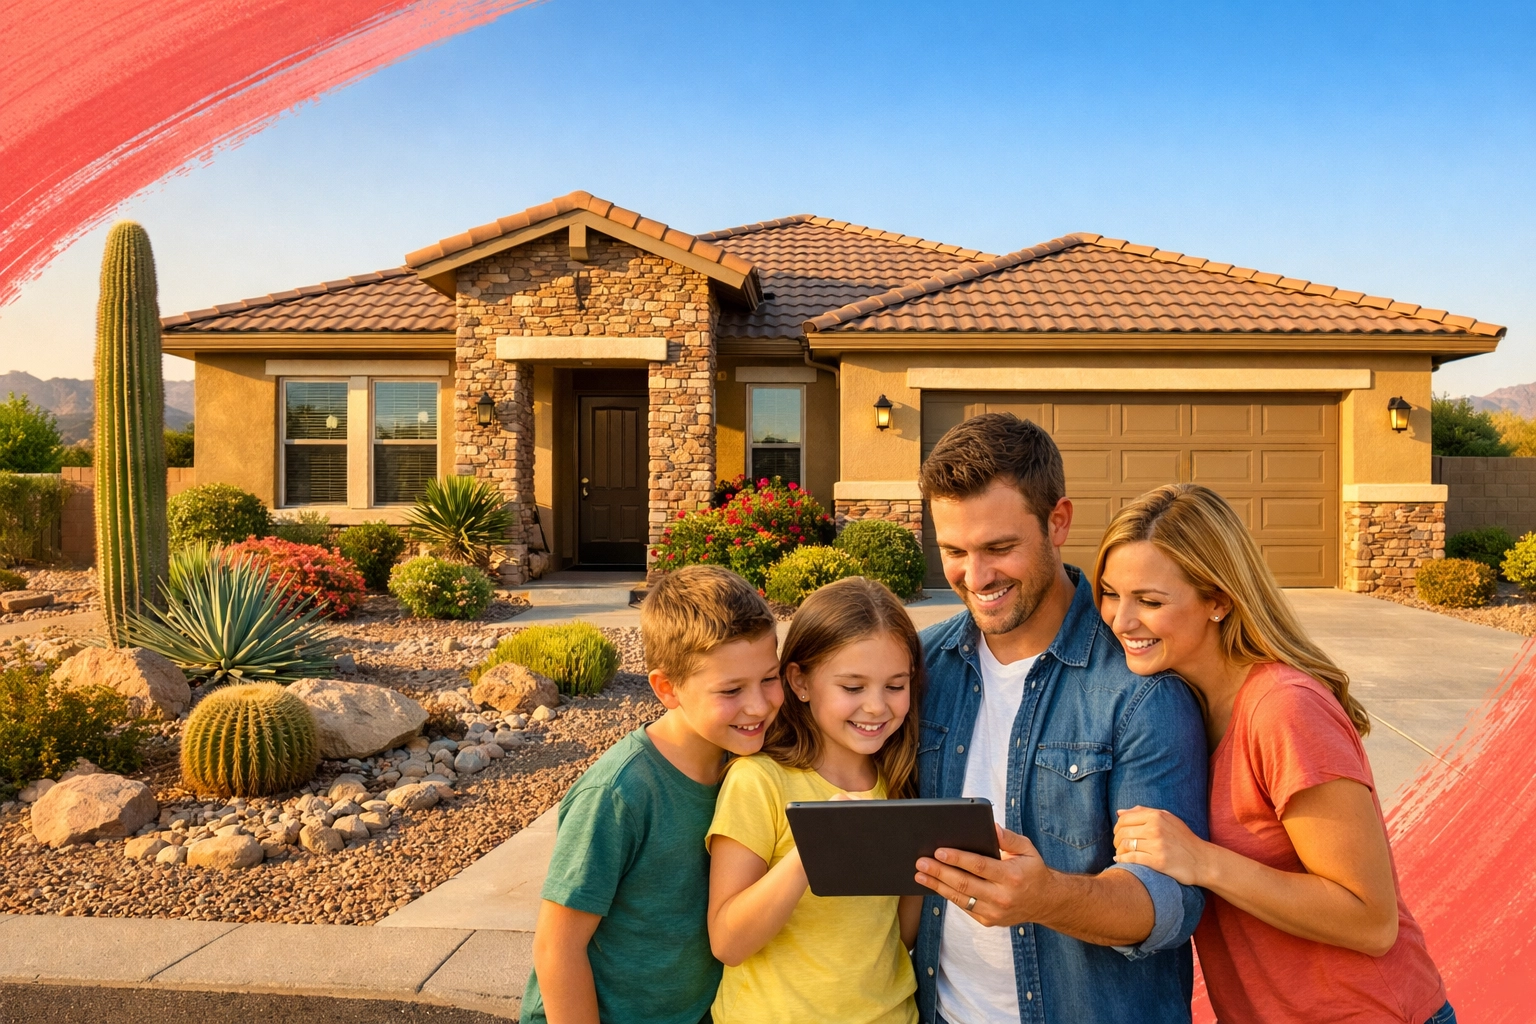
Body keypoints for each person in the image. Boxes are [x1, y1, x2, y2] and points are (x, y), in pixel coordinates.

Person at [1098, 483, 1454, 1024]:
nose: (1121, 621)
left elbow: (1371, 921)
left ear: (1218, 601)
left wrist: (1203, 860)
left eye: (1149, 601)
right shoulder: (1181, 704)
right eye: (1110, 594)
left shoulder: (1284, 708)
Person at [909, 412, 1209, 1024]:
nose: (976, 576)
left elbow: (1169, 904)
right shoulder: (918, 668)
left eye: (1000, 548)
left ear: (1058, 522)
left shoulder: (1141, 687)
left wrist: (1047, 898)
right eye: (954, 552)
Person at [522, 565, 783, 1024]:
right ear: (667, 688)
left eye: (769, 678)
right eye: (731, 690)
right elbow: (556, 947)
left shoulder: (745, 765)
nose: (759, 705)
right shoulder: (619, 792)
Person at [706, 576, 924, 1024]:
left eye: (895, 686)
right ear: (800, 681)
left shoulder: (899, 783)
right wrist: (816, 846)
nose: (877, 707)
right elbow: (728, 942)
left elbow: (898, 936)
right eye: (853, 688)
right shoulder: (759, 781)